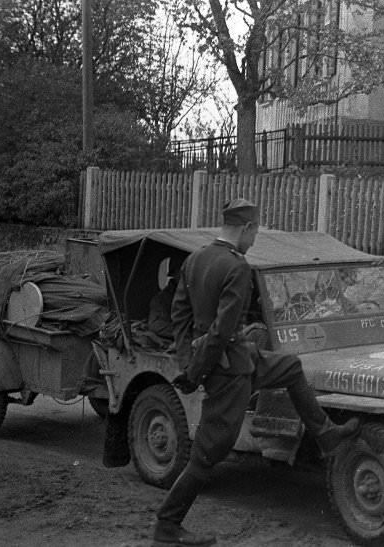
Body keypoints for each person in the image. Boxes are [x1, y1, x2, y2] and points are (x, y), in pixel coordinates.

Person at [152, 199, 360, 547]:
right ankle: (167, 525)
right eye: (255, 233)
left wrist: (188, 362)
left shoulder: (194, 259)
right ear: (246, 228)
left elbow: (179, 317)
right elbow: (222, 330)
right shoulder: (237, 267)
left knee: (291, 366)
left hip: (237, 357)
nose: (254, 240)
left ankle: (325, 435)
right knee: (208, 452)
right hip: (228, 371)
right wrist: (198, 371)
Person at [147, 260, 181, 339]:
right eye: (182, 272)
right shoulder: (161, 299)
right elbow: (155, 325)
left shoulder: (198, 295)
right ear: (174, 274)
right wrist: (185, 333)